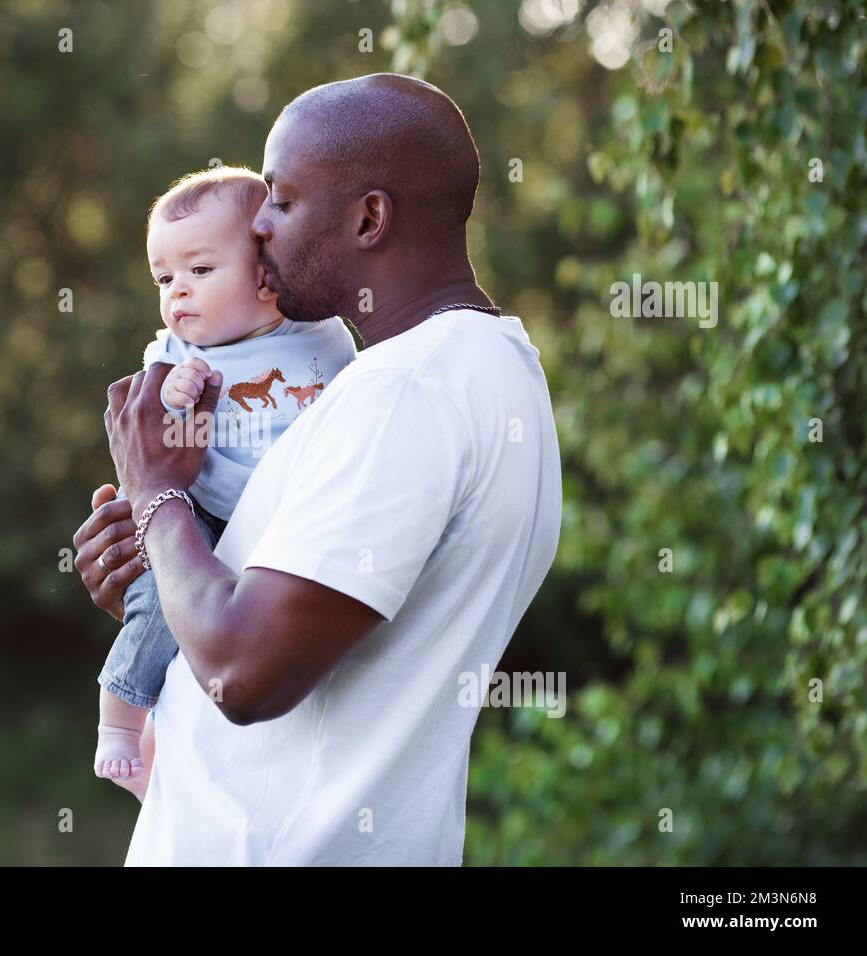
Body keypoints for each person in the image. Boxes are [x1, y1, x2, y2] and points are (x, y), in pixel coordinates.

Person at [74, 73, 562, 865]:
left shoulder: (407, 392)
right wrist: (158, 579)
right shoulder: (488, 370)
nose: (257, 228)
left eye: (282, 200)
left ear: (369, 217)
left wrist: (157, 491)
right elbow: (273, 630)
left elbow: (244, 673)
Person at [93, 166, 356, 799]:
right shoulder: (176, 355)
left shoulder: (322, 334)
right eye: (164, 278)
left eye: (200, 271)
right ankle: (121, 726)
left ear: (266, 276)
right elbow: (150, 429)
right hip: (202, 513)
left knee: (245, 635)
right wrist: (178, 394)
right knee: (159, 606)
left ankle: (167, 741)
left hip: (285, 525)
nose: (177, 292)